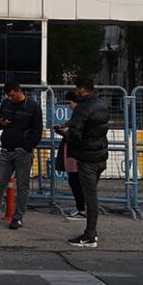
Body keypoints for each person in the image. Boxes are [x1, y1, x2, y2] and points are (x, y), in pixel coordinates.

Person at [0, 81, 42, 230]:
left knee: (22, 186)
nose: (10, 98)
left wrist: (27, 148)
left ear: (19, 91)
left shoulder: (33, 107)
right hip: (6, 150)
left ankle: (18, 217)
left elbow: (37, 130)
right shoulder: (6, 103)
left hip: (22, 151)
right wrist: (1, 122)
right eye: (8, 96)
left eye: (12, 95)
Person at [58, 77, 109, 248]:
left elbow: (76, 134)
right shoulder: (101, 105)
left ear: (80, 89)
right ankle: (90, 234)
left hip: (87, 157)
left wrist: (65, 133)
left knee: (90, 198)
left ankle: (89, 235)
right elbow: (95, 130)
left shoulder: (82, 108)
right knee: (91, 195)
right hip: (100, 155)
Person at [54, 90, 86, 220]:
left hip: (76, 152)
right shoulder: (78, 115)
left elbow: (76, 132)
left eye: (70, 103)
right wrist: (62, 130)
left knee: (76, 181)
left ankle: (81, 209)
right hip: (73, 150)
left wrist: (66, 131)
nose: (69, 106)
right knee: (75, 180)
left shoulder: (81, 115)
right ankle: (81, 208)